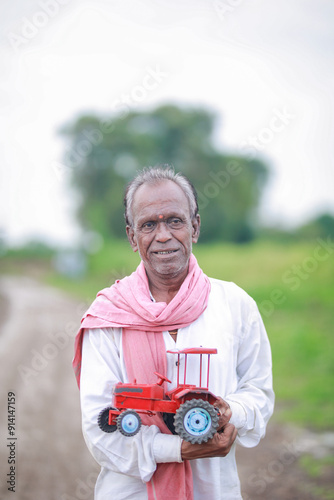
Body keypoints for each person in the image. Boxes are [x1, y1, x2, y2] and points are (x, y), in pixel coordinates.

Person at [73, 165, 274, 500]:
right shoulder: (108, 316)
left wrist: (229, 412)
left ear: (194, 227)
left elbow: (259, 395)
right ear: (131, 237)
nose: (163, 235)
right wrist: (176, 448)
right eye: (149, 224)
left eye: (175, 221)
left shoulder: (235, 304)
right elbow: (100, 430)